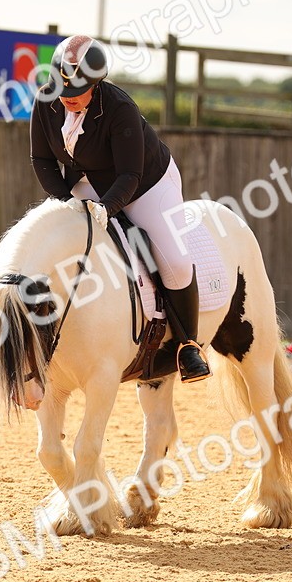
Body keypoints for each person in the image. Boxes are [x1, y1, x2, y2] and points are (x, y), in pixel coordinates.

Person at [29, 35, 211, 383]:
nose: (67, 97)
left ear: (96, 85)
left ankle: (187, 346)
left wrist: (106, 208)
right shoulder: (46, 100)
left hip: (146, 185)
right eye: (62, 89)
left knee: (172, 259)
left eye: (76, 91)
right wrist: (66, 202)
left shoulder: (119, 107)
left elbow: (131, 173)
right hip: (87, 182)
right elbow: (41, 159)